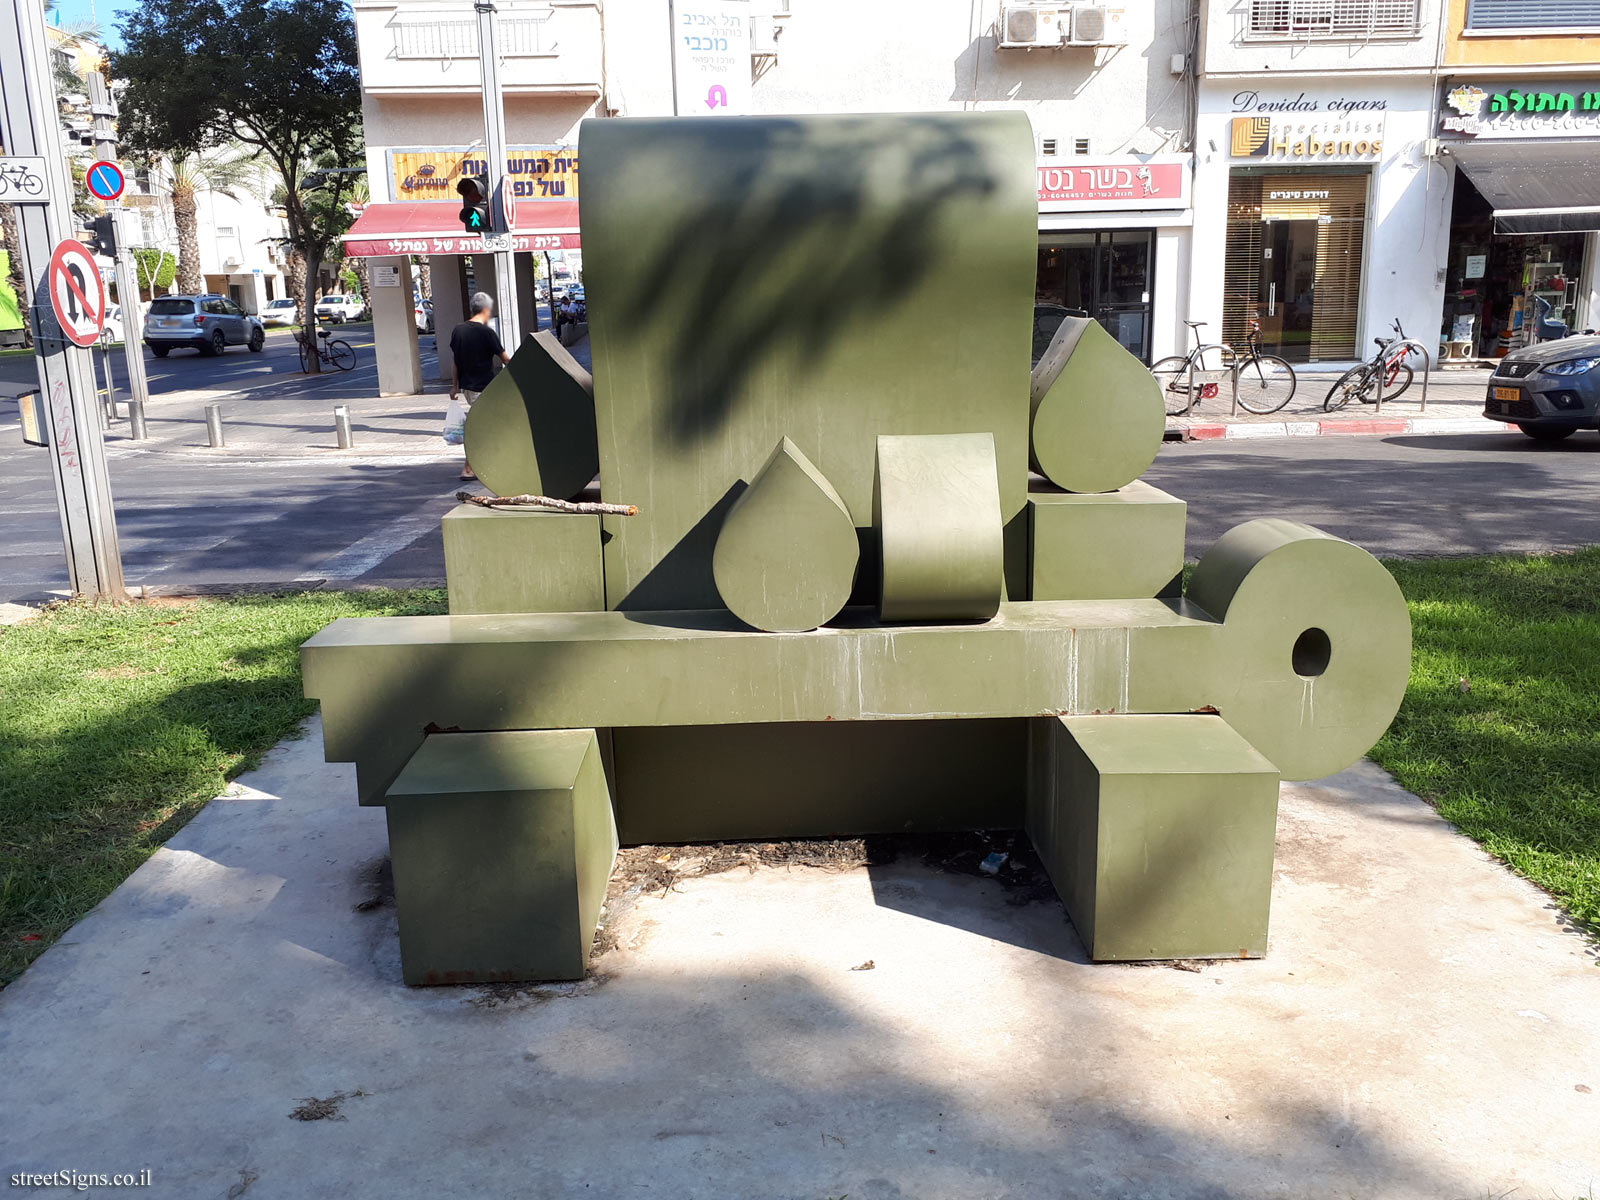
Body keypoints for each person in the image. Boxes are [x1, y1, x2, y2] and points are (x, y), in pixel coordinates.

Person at [449, 291, 511, 482]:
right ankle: (468, 468)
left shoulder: (458, 330)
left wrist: (454, 386)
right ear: (486, 310)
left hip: (467, 387)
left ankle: (487, 462)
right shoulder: (487, 333)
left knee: (485, 424)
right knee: (481, 427)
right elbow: (505, 359)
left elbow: (456, 361)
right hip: (484, 387)